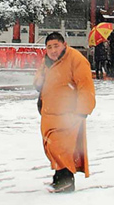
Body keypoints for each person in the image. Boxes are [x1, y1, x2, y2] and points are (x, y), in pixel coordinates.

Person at [34, 32, 96, 193]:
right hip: (49, 111)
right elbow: (38, 82)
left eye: (56, 46)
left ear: (64, 44)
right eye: (49, 47)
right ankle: (59, 176)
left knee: (62, 147)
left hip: (69, 112)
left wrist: (83, 110)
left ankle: (66, 181)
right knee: (51, 146)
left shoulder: (76, 59)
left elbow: (85, 85)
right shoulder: (46, 62)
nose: (53, 50)